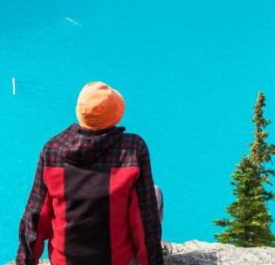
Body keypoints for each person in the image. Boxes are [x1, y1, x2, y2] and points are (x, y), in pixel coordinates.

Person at [17, 82, 165, 265]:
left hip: (65, 262)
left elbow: (35, 215)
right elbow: (144, 218)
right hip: (115, 261)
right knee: (155, 193)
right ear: (117, 114)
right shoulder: (132, 148)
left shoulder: (52, 149)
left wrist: (25, 261)